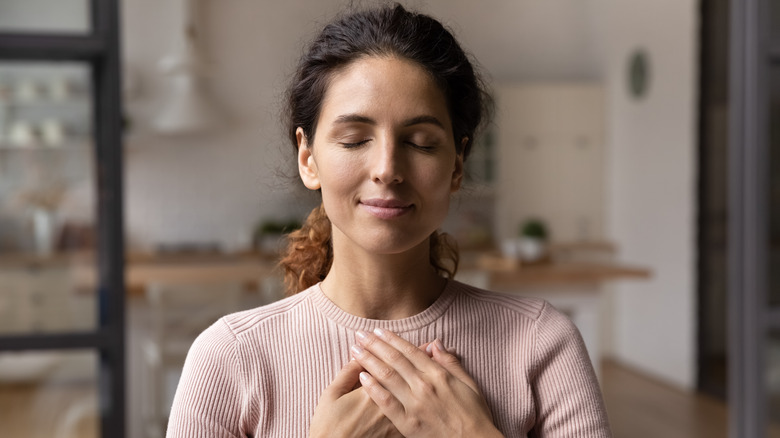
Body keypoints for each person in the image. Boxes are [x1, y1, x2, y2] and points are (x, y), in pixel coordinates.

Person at [167, 4, 612, 437]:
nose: (387, 168)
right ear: (308, 158)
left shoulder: (541, 343)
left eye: (420, 142)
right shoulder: (230, 358)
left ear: (457, 165)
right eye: (355, 138)